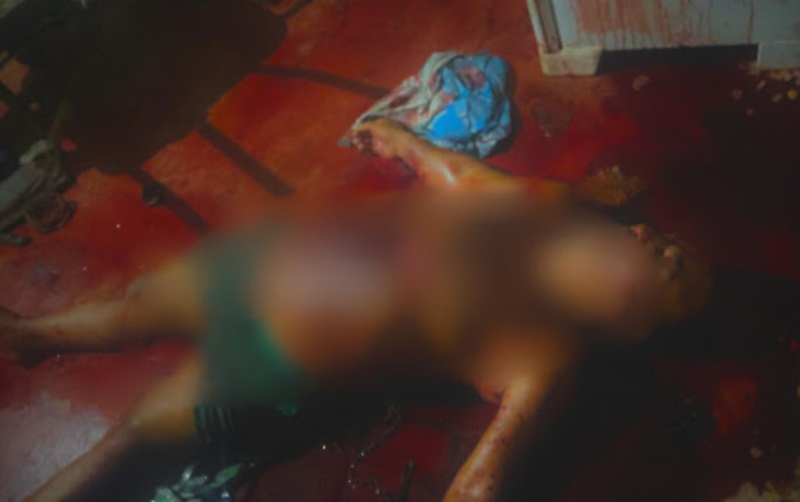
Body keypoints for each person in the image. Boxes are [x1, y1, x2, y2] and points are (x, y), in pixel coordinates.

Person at [0, 119, 712, 501]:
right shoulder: (553, 214)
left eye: (663, 261)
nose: (648, 236)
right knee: (138, 305)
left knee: (137, 432)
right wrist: (407, 142)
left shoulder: (545, 353)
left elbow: (485, 476)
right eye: (662, 239)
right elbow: (466, 178)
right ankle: (28, 335)